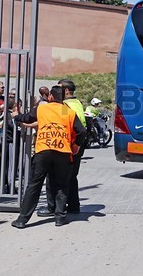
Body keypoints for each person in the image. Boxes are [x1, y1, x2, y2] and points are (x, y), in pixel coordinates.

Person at [11, 86, 86, 228]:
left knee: (35, 184)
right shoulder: (67, 111)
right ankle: (60, 218)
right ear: (63, 98)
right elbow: (81, 130)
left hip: (44, 149)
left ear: (50, 96)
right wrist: (76, 145)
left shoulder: (42, 108)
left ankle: (22, 220)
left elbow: (27, 117)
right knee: (62, 185)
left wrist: (16, 116)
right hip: (63, 151)